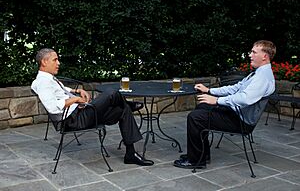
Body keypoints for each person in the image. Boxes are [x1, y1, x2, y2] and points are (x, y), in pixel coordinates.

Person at [31, 48, 154, 166]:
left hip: (80, 113)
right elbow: (52, 107)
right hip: (74, 120)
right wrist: (76, 99)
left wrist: (77, 90)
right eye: (55, 60)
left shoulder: (47, 79)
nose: (58, 63)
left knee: (122, 110)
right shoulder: (43, 82)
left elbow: (61, 91)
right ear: (44, 61)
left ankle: (130, 154)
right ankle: (128, 104)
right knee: (111, 93)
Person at [174, 40, 276, 169]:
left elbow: (245, 99)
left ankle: (196, 161)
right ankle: (201, 154)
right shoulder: (257, 73)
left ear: (264, 56)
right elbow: (235, 88)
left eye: (254, 52)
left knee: (195, 117)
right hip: (235, 113)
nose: (250, 55)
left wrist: (216, 100)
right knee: (202, 106)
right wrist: (209, 91)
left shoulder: (263, 77)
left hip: (241, 122)